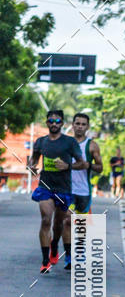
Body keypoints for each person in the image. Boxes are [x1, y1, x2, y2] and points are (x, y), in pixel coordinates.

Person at [28, 110, 85, 273]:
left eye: (57, 121)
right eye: (51, 121)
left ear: (62, 123)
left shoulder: (69, 143)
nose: (54, 124)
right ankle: (45, 261)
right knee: (46, 220)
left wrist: (68, 166)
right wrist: (32, 167)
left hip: (64, 188)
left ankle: (54, 246)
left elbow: (81, 163)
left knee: (58, 224)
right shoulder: (40, 142)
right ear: (47, 122)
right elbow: (34, 159)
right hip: (45, 187)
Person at [61, 113, 103, 269]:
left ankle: (79, 250)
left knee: (80, 225)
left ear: (88, 127)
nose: (80, 126)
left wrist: (89, 166)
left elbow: (100, 168)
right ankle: (69, 256)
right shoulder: (64, 143)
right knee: (67, 221)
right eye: (77, 123)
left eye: (83, 124)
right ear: (72, 125)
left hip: (84, 191)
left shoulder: (92, 145)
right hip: (66, 189)